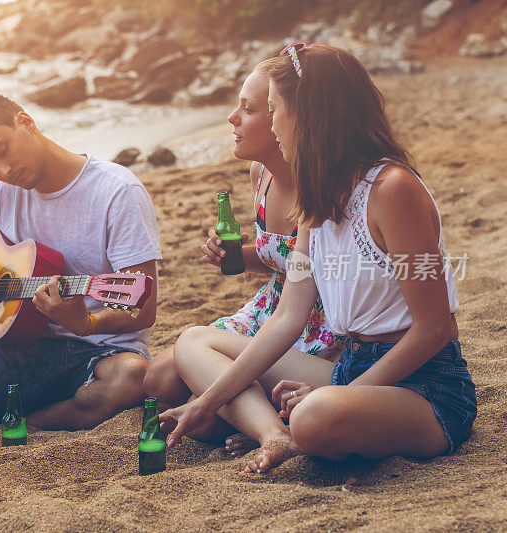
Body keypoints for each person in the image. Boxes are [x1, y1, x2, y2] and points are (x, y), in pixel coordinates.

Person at [159, 43, 476, 473]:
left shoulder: (392, 190)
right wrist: (205, 404)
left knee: (314, 416)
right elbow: (288, 318)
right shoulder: (317, 196)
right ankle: (275, 434)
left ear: (308, 116)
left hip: (424, 387)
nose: (273, 128)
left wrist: (340, 395)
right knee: (195, 342)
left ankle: (298, 424)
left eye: (275, 110)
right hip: (349, 366)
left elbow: (435, 328)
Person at [0, 94, 160, 431]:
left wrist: (86, 323)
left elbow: (143, 311)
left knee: (132, 378)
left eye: (1, 151)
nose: (4, 171)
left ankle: (23, 418)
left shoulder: (117, 191)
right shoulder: (0, 192)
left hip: (105, 351)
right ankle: (40, 404)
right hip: (23, 347)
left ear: (26, 122)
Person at [142, 60, 340, 455]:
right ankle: (261, 414)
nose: (232, 118)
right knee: (159, 379)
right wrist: (234, 256)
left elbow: (313, 279)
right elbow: (283, 262)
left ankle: (265, 424)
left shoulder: (318, 191)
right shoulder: (260, 175)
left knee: (205, 407)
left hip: (318, 323)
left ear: (285, 118)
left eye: (249, 110)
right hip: (276, 303)